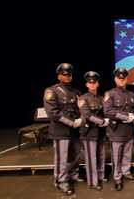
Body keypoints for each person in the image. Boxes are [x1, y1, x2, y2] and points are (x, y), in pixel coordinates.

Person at [43, 63, 83, 195]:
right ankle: (61, 181)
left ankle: (73, 175)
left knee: (75, 154)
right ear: (59, 75)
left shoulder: (76, 92)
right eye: (64, 74)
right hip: (61, 131)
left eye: (69, 74)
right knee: (62, 158)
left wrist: (81, 119)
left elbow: (80, 108)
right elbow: (53, 113)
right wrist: (72, 123)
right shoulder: (51, 91)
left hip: (75, 131)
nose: (67, 76)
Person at [103, 68, 134, 191]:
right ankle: (117, 178)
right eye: (119, 78)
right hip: (116, 131)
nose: (121, 80)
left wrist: (133, 116)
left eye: (123, 78)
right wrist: (125, 117)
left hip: (129, 130)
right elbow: (108, 111)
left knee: (127, 154)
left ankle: (126, 172)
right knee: (117, 156)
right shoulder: (110, 93)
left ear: (126, 79)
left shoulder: (132, 95)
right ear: (115, 79)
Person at [78, 71, 109, 190]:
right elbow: (87, 115)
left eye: (94, 82)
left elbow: (106, 112)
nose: (92, 84)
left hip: (101, 132)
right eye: (89, 82)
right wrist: (102, 122)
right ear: (86, 84)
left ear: (98, 84)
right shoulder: (82, 98)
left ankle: (101, 176)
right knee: (91, 158)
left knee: (101, 155)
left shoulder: (102, 98)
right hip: (89, 132)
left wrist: (106, 121)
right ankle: (93, 181)